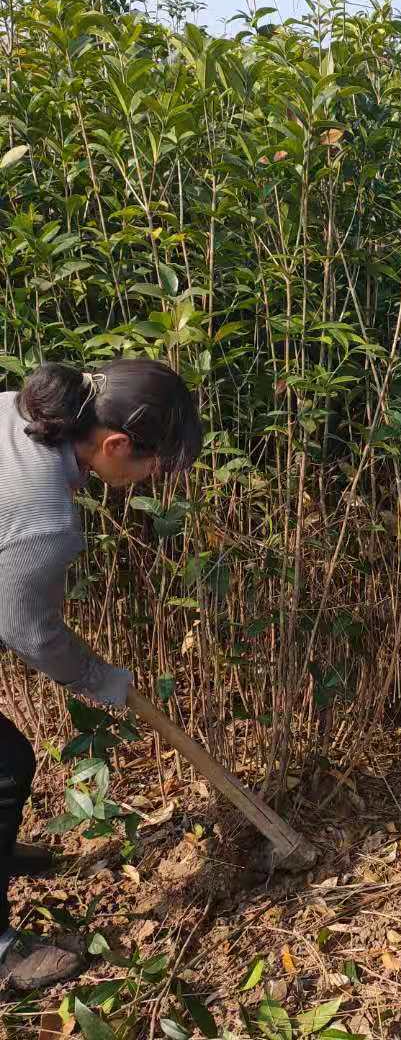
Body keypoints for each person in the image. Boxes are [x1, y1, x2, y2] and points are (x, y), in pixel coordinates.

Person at [0, 360, 202, 991]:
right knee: (3, 765)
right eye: (156, 467)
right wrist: (101, 679)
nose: (157, 481)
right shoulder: (45, 520)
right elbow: (27, 631)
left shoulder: (18, 410)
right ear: (115, 444)